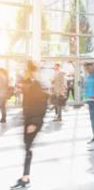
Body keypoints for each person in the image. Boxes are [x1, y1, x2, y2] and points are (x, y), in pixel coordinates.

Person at [11, 61, 49, 189]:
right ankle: (25, 177)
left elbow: (42, 105)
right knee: (27, 146)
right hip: (29, 120)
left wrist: (34, 123)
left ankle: (25, 178)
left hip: (34, 121)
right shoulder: (30, 85)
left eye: (26, 70)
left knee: (28, 147)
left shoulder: (36, 86)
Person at [84, 62, 94, 146]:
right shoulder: (88, 76)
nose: (86, 70)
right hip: (90, 101)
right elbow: (86, 88)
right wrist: (86, 100)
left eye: (87, 68)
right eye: (85, 69)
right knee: (92, 119)